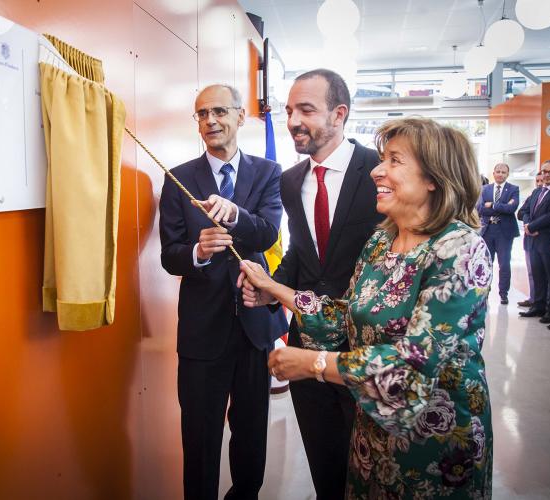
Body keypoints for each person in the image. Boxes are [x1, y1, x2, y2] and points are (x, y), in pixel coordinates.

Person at [239, 117, 493, 498]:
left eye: (394, 160)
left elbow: (413, 363)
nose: (377, 170)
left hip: (436, 447)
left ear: (433, 177)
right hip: (372, 436)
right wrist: (273, 288)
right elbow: (344, 316)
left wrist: (313, 363)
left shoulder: (459, 249)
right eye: (381, 159)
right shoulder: (381, 242)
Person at [159, 84, 287, 500]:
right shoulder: (178, 178)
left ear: (240, 116)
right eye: (201, 114)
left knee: (251, 433)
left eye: (218, 111)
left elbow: (267, 233)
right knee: (200, 438)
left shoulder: (268, 172)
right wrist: (196, 253)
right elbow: (169, 255)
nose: (210, 120)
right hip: (202, 331)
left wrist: (235, 215)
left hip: (254, 325)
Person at [268, 68, 381, 500]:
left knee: (369, 470)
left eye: (306, 110)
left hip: (365, 347)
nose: (293, 121)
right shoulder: (290, 180)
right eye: (289, 111)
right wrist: (270, 287)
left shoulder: (379, 172)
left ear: (339, 114)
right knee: (325, 462)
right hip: (305, 343)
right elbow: (302, 251)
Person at [518, 160, 550, 323]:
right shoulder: (537, 191)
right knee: (538, 275)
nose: (546, 175)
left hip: (548, 240)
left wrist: (532, 226)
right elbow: (525, 211)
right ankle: (538, 306)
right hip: (532, 240)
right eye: (544, 171)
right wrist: (527, 225)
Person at [477, 163, 519, 304]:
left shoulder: (513, 189)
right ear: (493, 173)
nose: (500, 174)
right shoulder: (485, 189)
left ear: (507, 174)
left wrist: (493, 205)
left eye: (503, 172)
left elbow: (511, 209)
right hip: (487, 231)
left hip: (504, 233)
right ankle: (484, 292)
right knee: (486, 264)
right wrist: (503, 207)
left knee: (504, 264)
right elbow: (480, 209)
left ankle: (503, 293)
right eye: (498, 171)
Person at [517, 172, 544, 307]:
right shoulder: (533, 194)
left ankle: (542, 302)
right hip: (529, 240)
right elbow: (521, 213)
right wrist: (528, 225)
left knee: (544, 274)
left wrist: (533, 226)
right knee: (532, 272)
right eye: (537, 181)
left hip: (543, 239)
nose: (539, 184)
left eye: (541, 181)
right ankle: (533, 299)